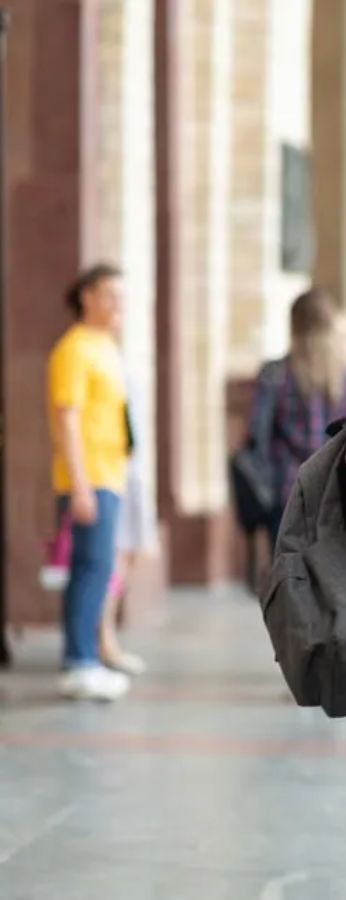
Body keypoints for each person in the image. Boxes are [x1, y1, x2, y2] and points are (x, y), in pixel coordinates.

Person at [47, 263, 132, 701]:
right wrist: (79, 484)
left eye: (121, 295)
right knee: (89, 570)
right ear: (87, 297)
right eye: (109, 294)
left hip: (110, 476)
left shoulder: (105, 346)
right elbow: (68, 419)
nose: (118, 303)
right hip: (89, 478)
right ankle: (79, 660)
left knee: (99, 570)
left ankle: (86, 658)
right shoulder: (74, 349)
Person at [247, 288, 346, 548]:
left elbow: (257, 436)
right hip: (336, 497)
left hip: (286, 495)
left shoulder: (275, 374)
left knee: (289, 580)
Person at [99, 350, 153, 676]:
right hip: (109, 474)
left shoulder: (117, 359)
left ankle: (107, 637)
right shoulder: (86, 355)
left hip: (128, 470)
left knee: (124, 556)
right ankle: (103, 638)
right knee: (109, 561)